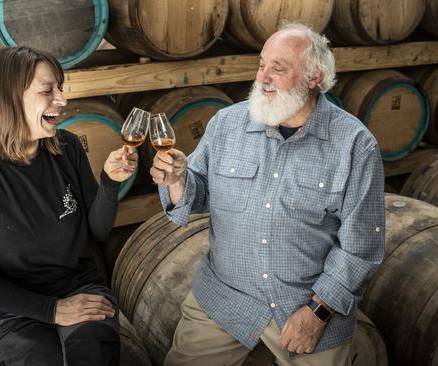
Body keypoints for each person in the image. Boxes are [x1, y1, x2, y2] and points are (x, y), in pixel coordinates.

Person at [151, 23, 385, 366]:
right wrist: (177, 179)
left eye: (279, 68)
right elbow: (197, 193)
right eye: (262, 65)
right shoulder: (226, 124)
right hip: (224, 298)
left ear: (314, 77)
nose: (264, 77)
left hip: (304, 306)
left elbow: (360, 247)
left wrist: (319, 312)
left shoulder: (354, 145)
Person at [0, 46, 137, 366]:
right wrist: (53, 310)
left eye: (60, 88)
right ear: (8, 98)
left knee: (93, 357)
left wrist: (110, 182)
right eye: (48, 91)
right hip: (13, 310)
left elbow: (97, 231)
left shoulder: (66, 147)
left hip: (79, 288)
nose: (62, 100)